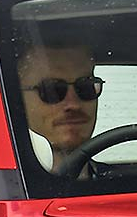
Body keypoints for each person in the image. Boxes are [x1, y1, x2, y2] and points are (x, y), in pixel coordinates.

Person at [17, 40, 104, 176]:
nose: (73, 104)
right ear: (17, 99)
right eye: (52, 90)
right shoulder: (2, 186)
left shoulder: (127, 186)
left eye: (85, 87)